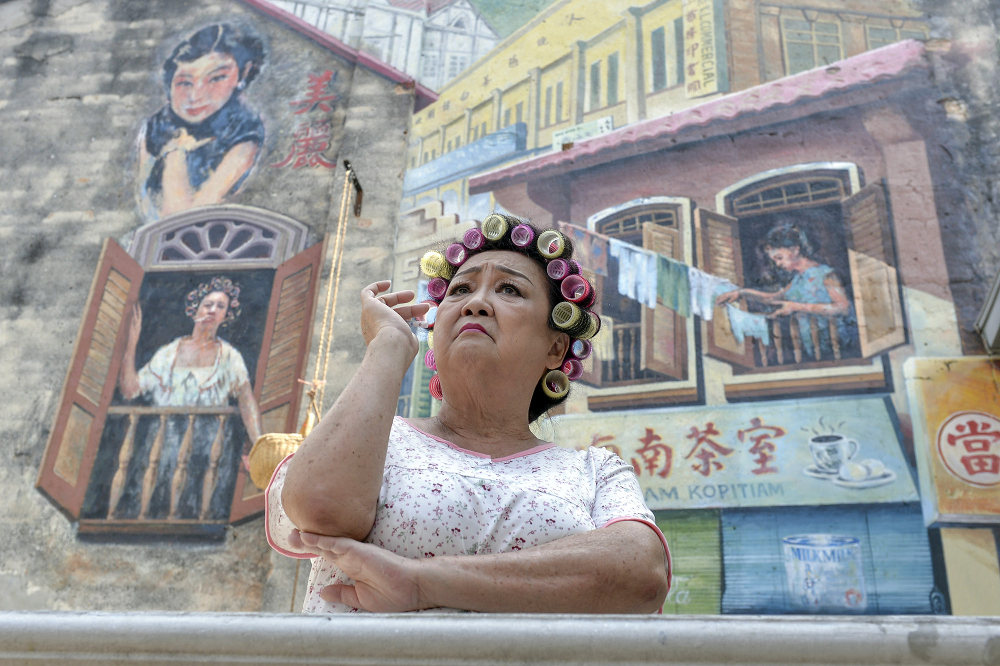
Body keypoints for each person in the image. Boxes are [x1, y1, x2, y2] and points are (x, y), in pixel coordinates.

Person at [266, 214, 671, 613]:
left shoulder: (595, 472)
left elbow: (641, 572)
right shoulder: (372, 439)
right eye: (460, 289)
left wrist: (423, 583)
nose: (476, 303)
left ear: (555, 348)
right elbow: (320, 509)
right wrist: (388, 344)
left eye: (509, 289)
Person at [117, 276, 262, 519]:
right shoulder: (169, 352)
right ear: (195, 309)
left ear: (226, 316)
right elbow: (130, 390)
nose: (212, 310)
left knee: (198, 503)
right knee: (157, 499)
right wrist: (131, 343)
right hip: (164, 445)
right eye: (208, 304)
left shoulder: (230, 357)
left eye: (220, 307)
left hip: (207, 449)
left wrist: (259, 445)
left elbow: (246, 400)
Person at [137, 23, 266, 220]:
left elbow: (184, 220)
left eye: (216, 79)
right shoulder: (156, 126)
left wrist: (176, 152)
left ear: (243, 74)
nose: (195, 96)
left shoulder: (244, 132)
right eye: (185, 82)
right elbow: (145, 202)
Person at [716, 223, 856, 359]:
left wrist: (796, 307)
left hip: (838, 347)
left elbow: (843, 308)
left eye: (779, 258)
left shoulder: (825, 274)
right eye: (775, 260)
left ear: (795, 250)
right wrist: (741, 293)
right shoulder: (797, 280)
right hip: (814, 349)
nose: (778, 264)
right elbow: (772, 298)